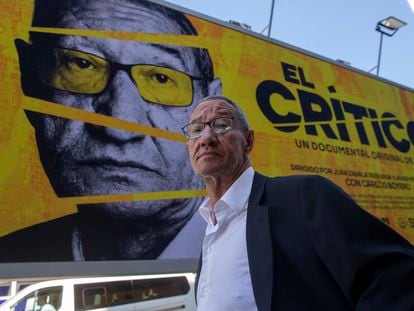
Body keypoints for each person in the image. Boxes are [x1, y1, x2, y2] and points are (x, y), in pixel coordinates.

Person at [0, 0, 222, 261]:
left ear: (211, 106)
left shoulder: (259, 246)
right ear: (29, 78)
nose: (120, 126)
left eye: (161, 78)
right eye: (80, 65)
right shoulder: (14, 253)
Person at [182, 95, 414, 310]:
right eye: (196, 129)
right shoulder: (210, 228)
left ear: (248, 142)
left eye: (222, 125)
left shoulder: (303, 196)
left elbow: (396, 278)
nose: (206, 138)